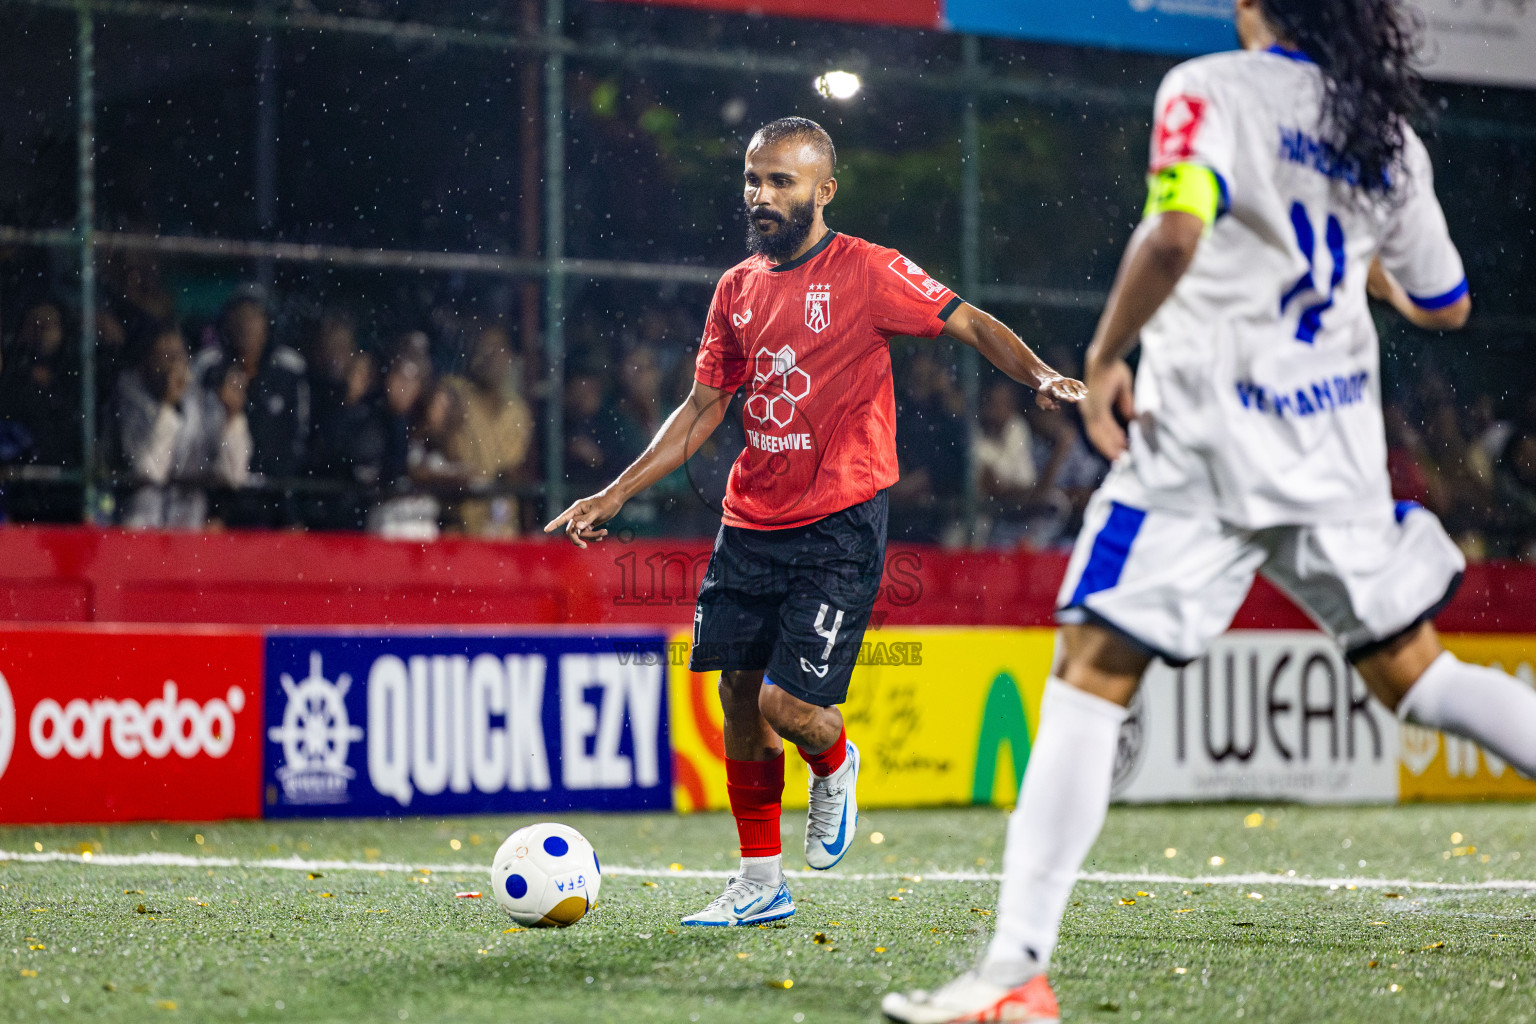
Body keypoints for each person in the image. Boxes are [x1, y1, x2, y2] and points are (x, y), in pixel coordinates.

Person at [881, 2, 1536, 1021]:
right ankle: (1010, 975)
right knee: (1418, 674)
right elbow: (1446, 302)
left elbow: (1177, 233)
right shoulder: (1385, 135)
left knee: (1090, 675)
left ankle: (1014, 974)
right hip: (1332, 456)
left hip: (1204, 447)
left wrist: (1105, 356)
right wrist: (1354, 263)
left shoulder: (1209, 90)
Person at [545, 117, 1084, 928]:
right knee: (737, 693)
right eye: (753, 179)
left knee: (786, 707)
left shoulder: (868, 270)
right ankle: (760, 883)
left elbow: (969, 320)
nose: (761, 195)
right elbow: (703, 407)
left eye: (781, 182)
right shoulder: (737, 288)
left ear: (823, 191)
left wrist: (1038, 373)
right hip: (749, 522)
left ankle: (833, 758)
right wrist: (614, 494)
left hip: (839, 522)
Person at [114, 323, 250, 529]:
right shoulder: (130, 400)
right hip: (141, 526)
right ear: (146, 362)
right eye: (165, 357)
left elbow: (234, 476)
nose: (174, 366)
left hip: (190, 528)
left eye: (179, 356)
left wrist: (233, 417)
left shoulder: (202, 402)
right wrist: (168, 406)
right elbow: (150, 473)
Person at [192, 289, 310, 526]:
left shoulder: (289, 369)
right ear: (227, 322)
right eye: (240, 316)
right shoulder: (208, 367)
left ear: (268, 323)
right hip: (220, 497)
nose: (246, 326)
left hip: (275, 500)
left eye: (254, 316)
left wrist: (289, 512)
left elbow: (297, 440)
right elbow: (197, 439)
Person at [443, 324, 534, 537]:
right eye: (485, 349)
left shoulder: (517, 411)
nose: (492, 357)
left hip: (503, 531)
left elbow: (514, 469)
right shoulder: (455, 396)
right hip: (459, 527)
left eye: (500, 350)